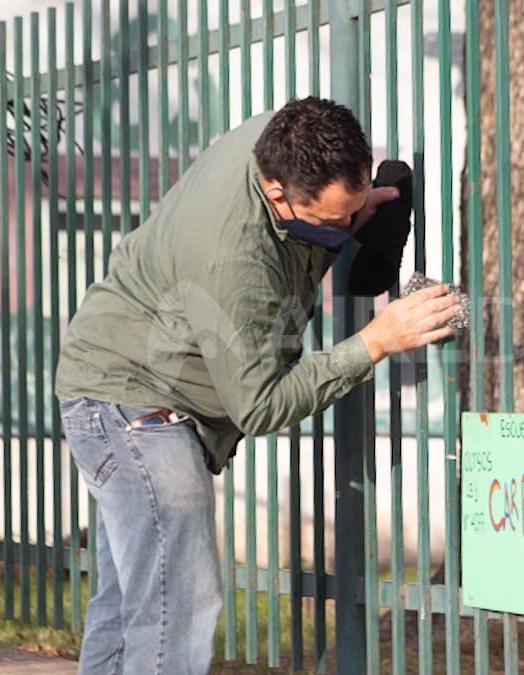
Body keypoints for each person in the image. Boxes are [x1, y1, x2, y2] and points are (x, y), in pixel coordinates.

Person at [54, 97, 460, 674]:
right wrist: (376, 341)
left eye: (352, 208)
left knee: (131, 605)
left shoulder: (282, 142)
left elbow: (312, 224)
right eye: (333, 223)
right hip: (136, 401)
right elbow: (261, 404)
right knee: (178, 601)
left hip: (118, 384)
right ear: (277, 193)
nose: (346, 231)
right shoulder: (234, 259)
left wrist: (356, 209)